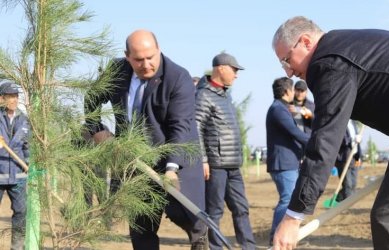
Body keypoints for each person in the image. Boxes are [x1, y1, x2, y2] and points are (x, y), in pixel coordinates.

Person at [271, 16, 389, 250]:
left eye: (287, 60)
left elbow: (324, 141)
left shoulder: (328, 62)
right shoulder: (347, 45)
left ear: (305, 41)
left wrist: (294, 216)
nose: (290, 72)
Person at [84, 30, 207, 250]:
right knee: (142, 231)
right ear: (127, 56)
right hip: (136, 164)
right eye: (139, 59)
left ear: (158, 50)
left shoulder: (178, 77)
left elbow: (180, 127)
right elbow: (91, 98)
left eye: (151, 57)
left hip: (177, 164)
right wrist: (97, 130)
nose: (146, 64)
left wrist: (170, 168)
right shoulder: (116, 72)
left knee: (194, 224)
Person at [195, 52, 256, 250]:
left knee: (241, 208)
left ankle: (249, 247)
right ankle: (215, 248)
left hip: (233, 164)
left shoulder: (224, 95)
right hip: (215, 165)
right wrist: (203, 160)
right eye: (235, 70)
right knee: (215, 211)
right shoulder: (204, 95)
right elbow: (196, 128)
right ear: (221, 68)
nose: (236, 74)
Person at [265, 77, 309, 245]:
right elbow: (294, 133)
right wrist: (316, 142)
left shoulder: (281, 108)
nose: (294, 93)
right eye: (292, 90)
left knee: (288, 199)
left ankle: (283, 238)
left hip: (288, 162)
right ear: (287, 91)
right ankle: (275, 240)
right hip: (283, 164)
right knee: (287, 199)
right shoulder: (278, 109)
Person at [0, 82, 30, 250]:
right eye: (10, 96)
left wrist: (29, 164)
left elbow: (28, 147)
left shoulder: (23, 119)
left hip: (18, 175)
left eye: (16, 96)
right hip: (0, 171)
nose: (14, 100)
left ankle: (17, 247)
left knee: (21, 212)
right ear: (1, 99)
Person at [334, 120, 362, 202]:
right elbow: (339, 138)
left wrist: (359, 156)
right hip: (344, 157)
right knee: (347, 184)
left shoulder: (353, 123)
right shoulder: (339, 122)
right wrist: (352, 140)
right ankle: (348, 203)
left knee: (353, 183)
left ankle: (339, 199)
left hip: (354, 156)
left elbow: (357, 140)